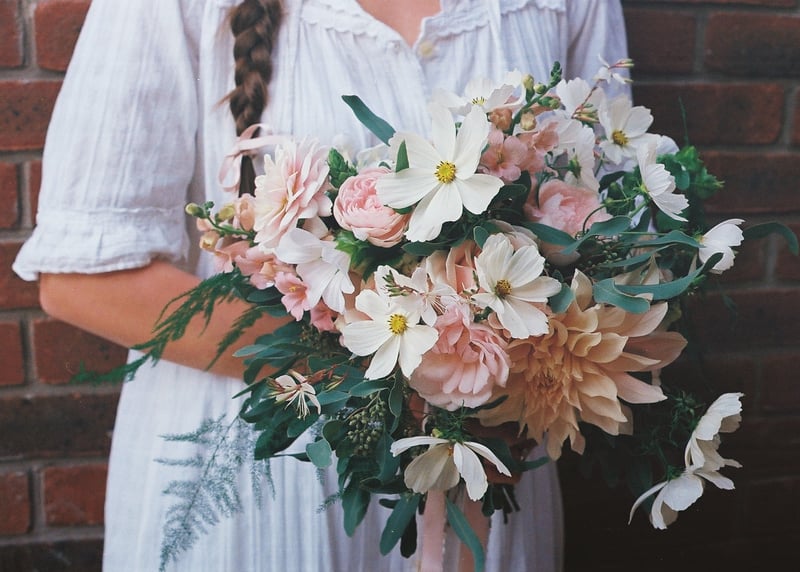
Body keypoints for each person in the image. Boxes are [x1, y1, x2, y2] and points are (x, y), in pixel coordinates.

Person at [14, 1, 629, 570]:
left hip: (484, 477)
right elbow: (84, 280)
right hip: (261, 493)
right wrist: (402, 371)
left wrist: (527, 368)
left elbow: (624, 232)